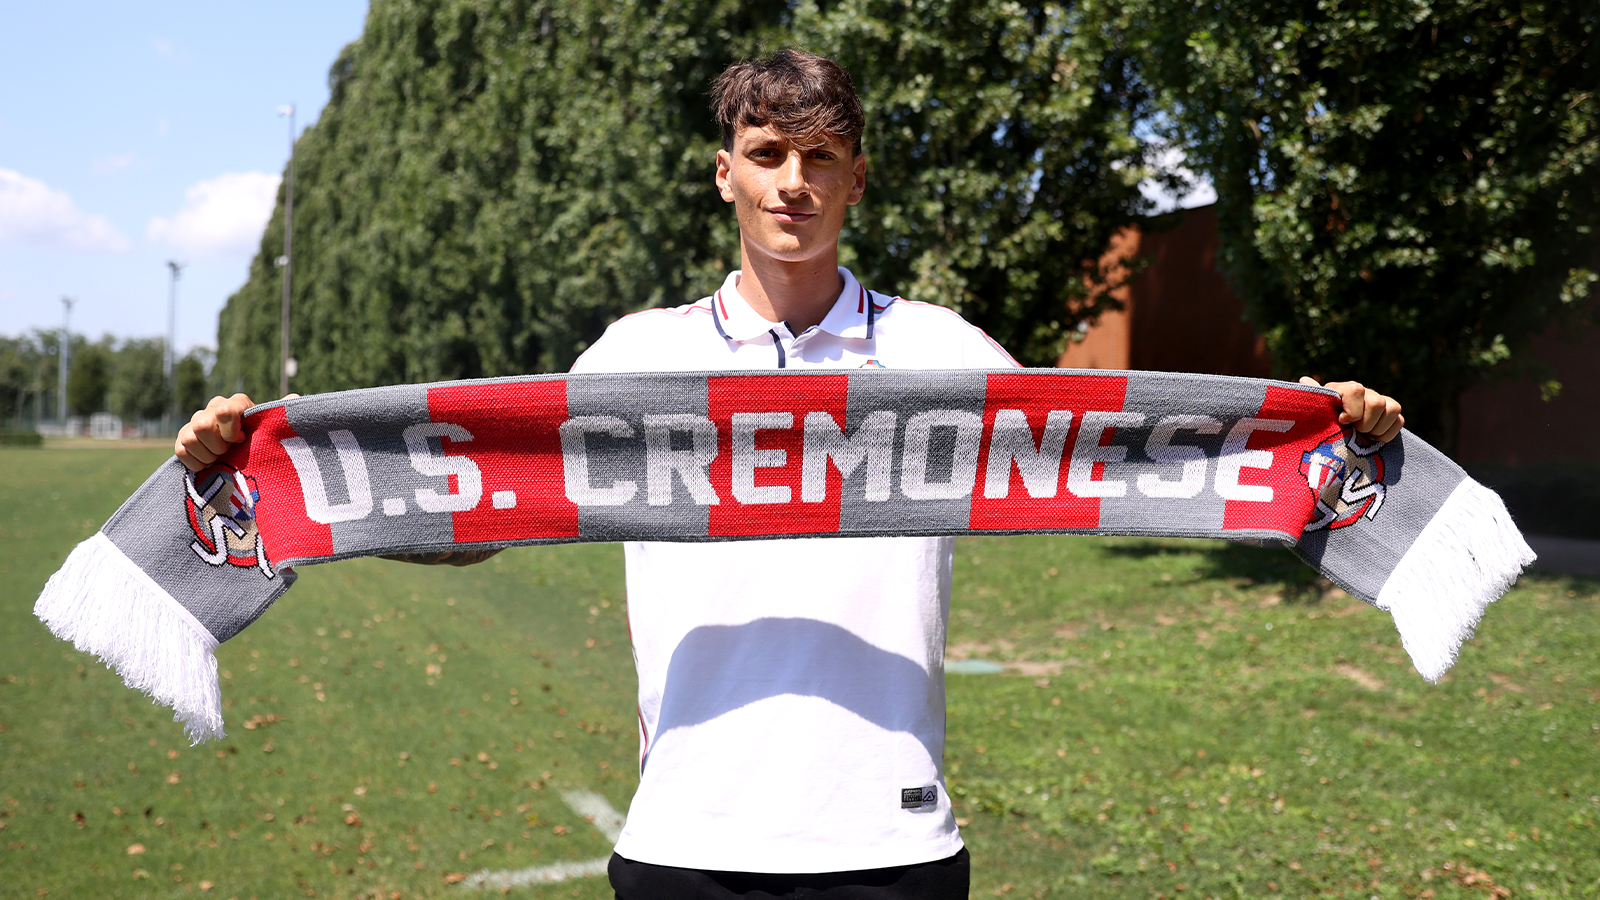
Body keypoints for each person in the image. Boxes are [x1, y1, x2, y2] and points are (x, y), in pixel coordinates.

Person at [176, 50, 1404, 900]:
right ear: (726, 173)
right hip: (686, 838)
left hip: (893, 840)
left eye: (821, 156)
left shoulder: (948, 354)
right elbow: (482, 508)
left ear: (857, 178)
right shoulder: (635, 360)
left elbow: (1123, 454)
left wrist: (1316, 437)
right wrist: (265, 475)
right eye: (766, 152)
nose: (793, 182)